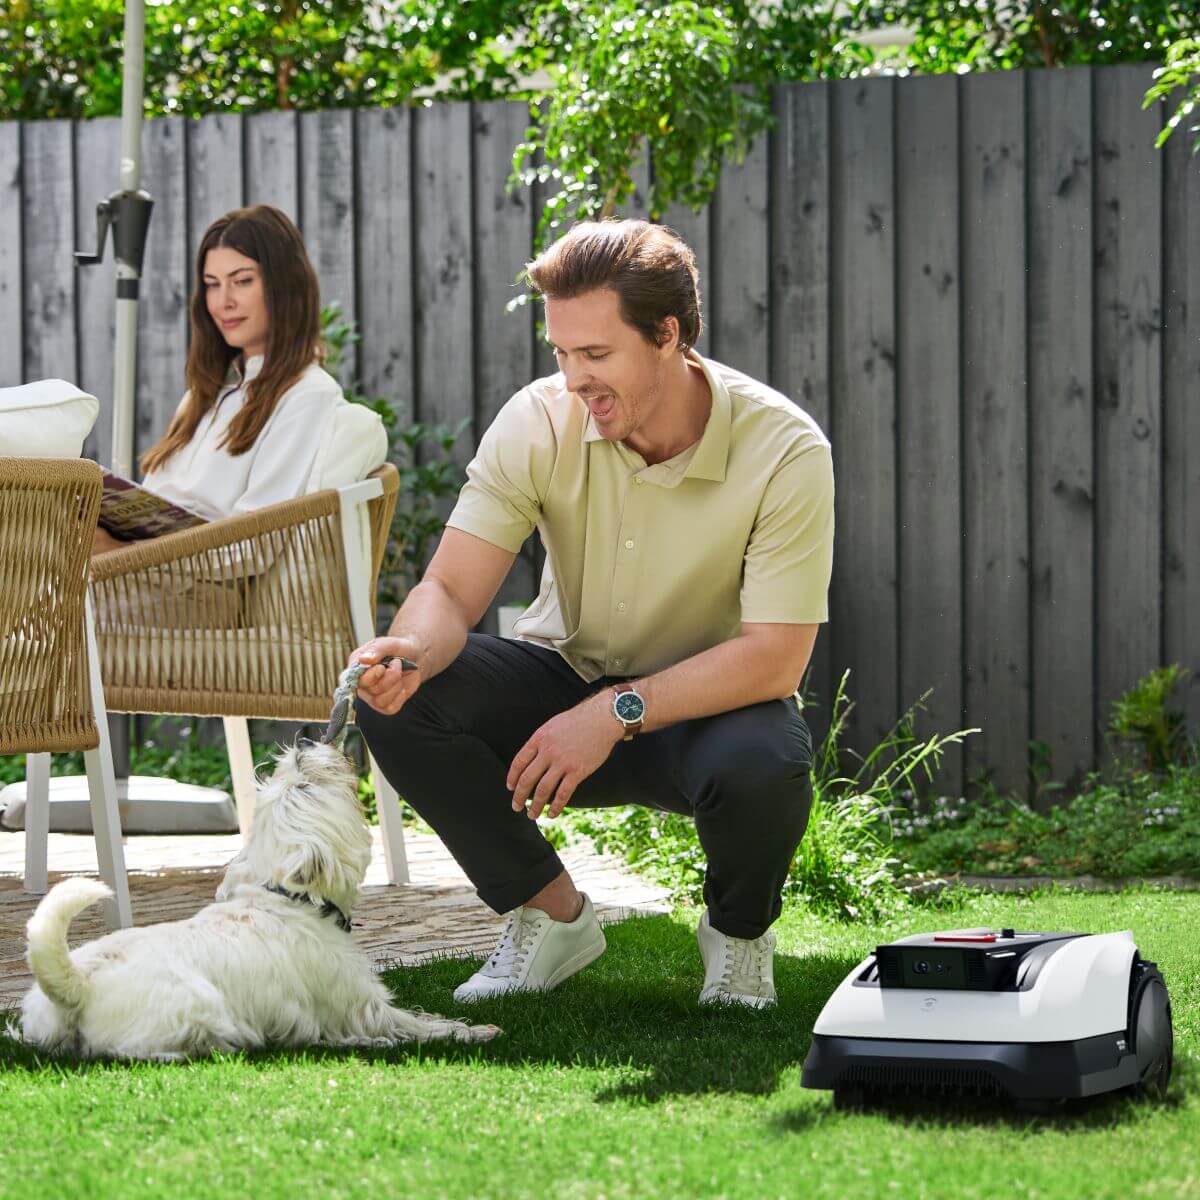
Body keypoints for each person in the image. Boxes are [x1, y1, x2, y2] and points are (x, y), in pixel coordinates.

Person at [352, 219, 834, 1009]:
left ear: (668, 335)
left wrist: (614, 713)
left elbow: (775, 658)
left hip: (705, 711)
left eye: (596, 354)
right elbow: (451, 592)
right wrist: (410, 648)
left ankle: (739, 934)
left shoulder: (784, 449)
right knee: (405, 700)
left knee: (767, 765)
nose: (574, 379)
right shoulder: (538, 420)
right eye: (562, 354)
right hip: (561, 681)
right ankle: (552, 917)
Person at [92, 204, 344, 554]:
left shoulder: (307, 395)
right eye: (212, 285)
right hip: (141, 567)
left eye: (242, 281)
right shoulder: (204, 395)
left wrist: (121, 551)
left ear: (286, 286)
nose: (223, 302)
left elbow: (254, 545)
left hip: (190, 579)